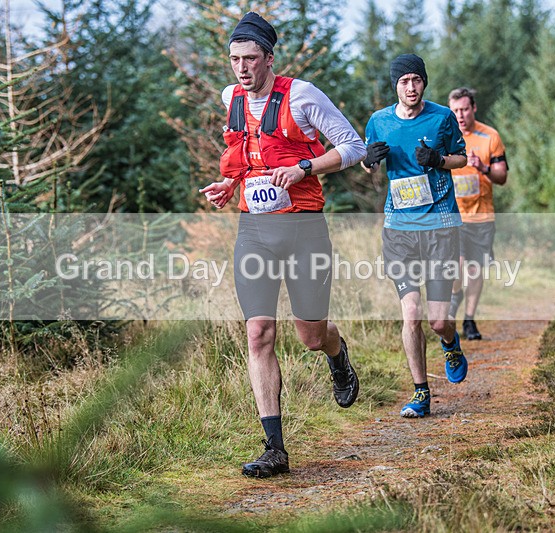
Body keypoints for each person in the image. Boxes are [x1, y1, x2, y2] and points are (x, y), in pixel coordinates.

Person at [199, 12, 366, 478]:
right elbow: (245, 156)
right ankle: (274, 447)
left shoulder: (303, 95)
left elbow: (352, 147)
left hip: (303, 229)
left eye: (250, 58)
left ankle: (338, 354)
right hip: (254, 229)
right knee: (258, 333)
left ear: (269, 58)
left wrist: (306, 169)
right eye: (234, 59)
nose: (241, 68)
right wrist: (228, 184)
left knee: (310, 336)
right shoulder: (230, 97)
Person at [362, 54, 468, 419]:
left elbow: (462, 159)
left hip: (439, 226)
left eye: (417, 80)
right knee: (411, 314)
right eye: (404, 81)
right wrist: (368, 159)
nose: (411, 87)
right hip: (399, 231)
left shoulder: (441, 117)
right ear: (396, 84)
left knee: (438, 321)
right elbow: (367, 160)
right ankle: (420, 392)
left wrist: (438, 159)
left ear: (424, 83)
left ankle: (450, 343)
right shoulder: (379, 121)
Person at [446, 87, 509, 340]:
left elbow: (502, 176)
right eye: (455, 110)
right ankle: (454, 295)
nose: (460, 115)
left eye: (464, 109)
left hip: (482, 216)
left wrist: (483, 167)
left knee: (475, 270)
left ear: (473, 108)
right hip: (453, 214)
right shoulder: (445, 136)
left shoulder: (490, 136)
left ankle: (469, 319)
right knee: (457, 265)